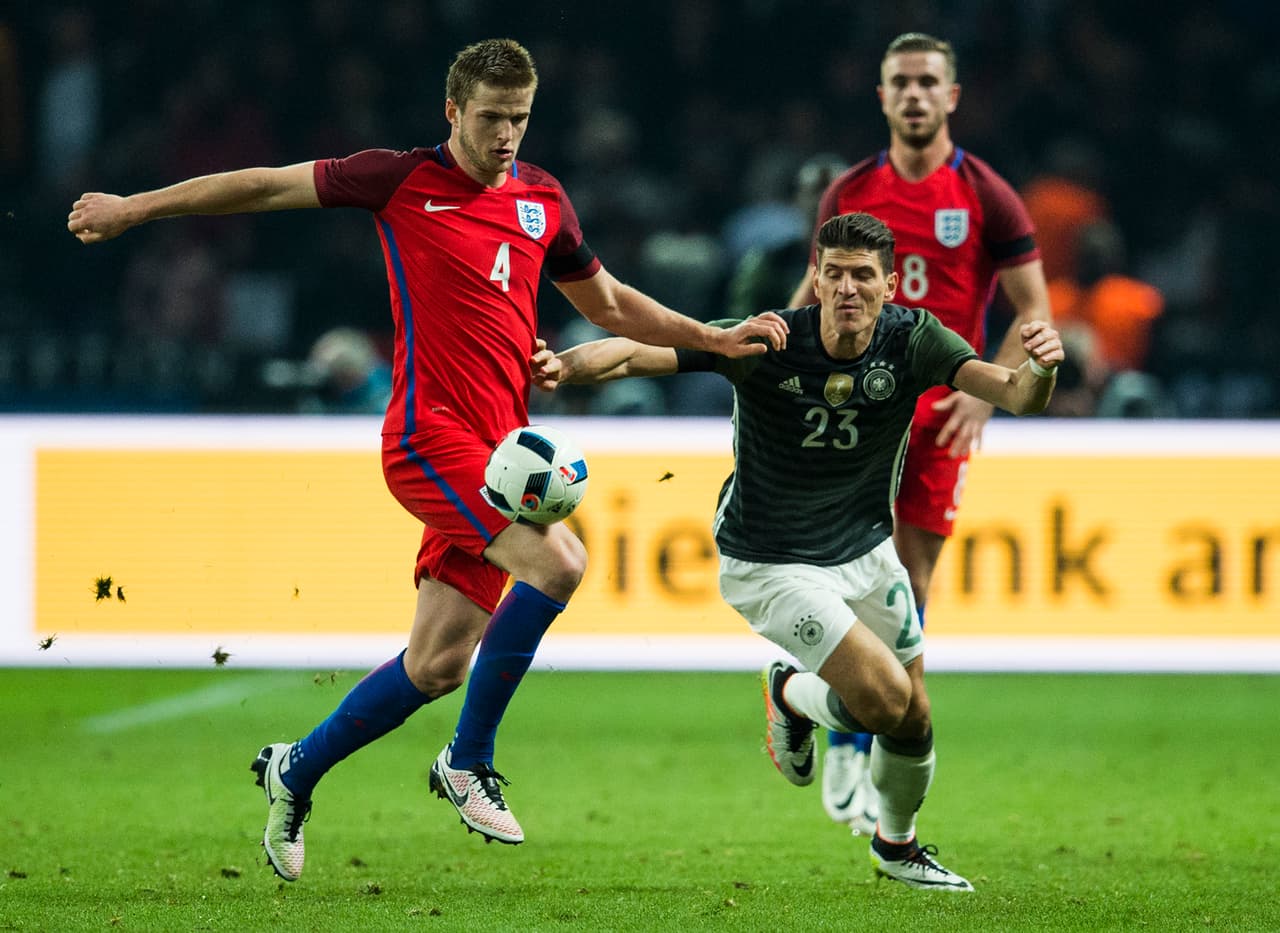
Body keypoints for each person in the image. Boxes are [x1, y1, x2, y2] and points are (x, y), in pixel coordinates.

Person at [67, 38, 788, 882]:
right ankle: (467, 760)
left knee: (437, 665)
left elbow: (612, 303)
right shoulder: (400, 179)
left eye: (520, 118)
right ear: (453, 111)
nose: (506, 135)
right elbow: (263, 185)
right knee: (560, 561)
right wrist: (134, 208)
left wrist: (710, 337)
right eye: (491, 117)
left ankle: (295, 769)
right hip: (426, 435)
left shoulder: (543, 200)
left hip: (501, 452)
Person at [536, 211, 1064, 891]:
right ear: (816, 279)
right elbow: (637, 354)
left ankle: (896, 845)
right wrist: (565, 365)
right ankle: (788, 691)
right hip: (771, 561)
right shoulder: (769, 341)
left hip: (867, 551)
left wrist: (1041, 367)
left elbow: (1017, 395)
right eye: (833, 274)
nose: (847, 289)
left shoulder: (914, 339)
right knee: (884, 701)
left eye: (862, 276)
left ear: (889, 284)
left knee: (914, 716)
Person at [785, 32, 1052, 834]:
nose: (913, 94)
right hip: (857, 411)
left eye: (928, 82)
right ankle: (841, 732)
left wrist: (988, 397)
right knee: (839, 573)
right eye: (900, 81)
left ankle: (852, 731)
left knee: (909, 584)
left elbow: (1033, 310)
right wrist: (777, 366)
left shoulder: (987, 196)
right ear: (882, 96)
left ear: (952, 96)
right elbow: (815, 290)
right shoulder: (851, 189)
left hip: (938, 417)